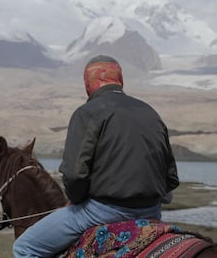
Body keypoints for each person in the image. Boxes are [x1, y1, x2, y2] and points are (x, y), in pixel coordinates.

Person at [13, 55, 179, 257]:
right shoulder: (150, 112)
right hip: (152, 212)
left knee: (24, 248)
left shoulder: (88, 112)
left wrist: (77, 199)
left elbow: (75, 175)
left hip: (103, 212)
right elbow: (170, 177)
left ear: (88, 84)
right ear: (120, 81)